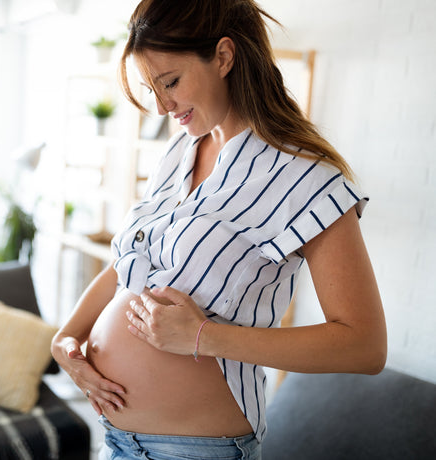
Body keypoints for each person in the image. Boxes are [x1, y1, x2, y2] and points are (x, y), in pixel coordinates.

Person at [50, 0, 387, 458]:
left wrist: (201, 337)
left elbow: (364, 345)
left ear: (224, 57)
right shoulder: (178, 155)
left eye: (171, 82)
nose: (164, 106)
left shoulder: (306, 177)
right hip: (115, 440)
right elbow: (127, 269)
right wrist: (65, 339)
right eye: (154, 90)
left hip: (195, 449)